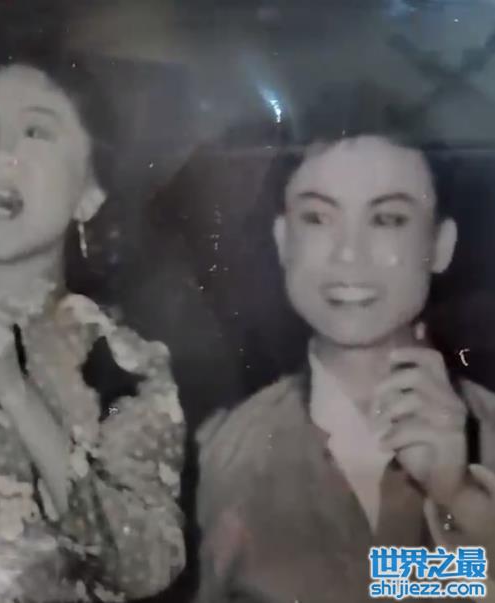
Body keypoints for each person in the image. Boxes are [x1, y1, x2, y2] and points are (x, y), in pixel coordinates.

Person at [0, 58, 185, 602]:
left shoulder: (124, 361)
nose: (1, 153)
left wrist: (16, 392)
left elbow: (146, 564)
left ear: (90, 193)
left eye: (36, 132)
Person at [196, 86, 495, 603]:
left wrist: (459, 499)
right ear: (283, 241)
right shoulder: (220, 451)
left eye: (388, 219)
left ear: (439, 245)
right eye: (317, 217)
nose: (349, 254)